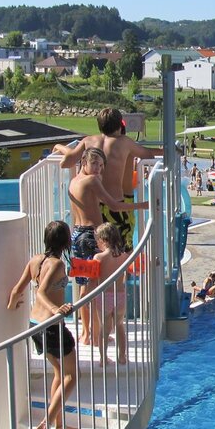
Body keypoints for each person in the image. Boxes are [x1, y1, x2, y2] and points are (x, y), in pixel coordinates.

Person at [8, 221, 78, 429]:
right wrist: (56, 309)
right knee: (71, 376)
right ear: (66, 241)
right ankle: (44, 425)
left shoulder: (35, 260)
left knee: (59, 372)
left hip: (35, 324)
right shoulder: (57, 264)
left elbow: (17, 290)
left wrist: (11, 308)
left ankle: (59, 426)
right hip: (51, 325)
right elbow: (41, 292)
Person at [68, 147, 148, 343]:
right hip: (91, 236)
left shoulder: (74, 181)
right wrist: (142, 205)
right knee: (94, 287)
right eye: (94, 163)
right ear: (84, 162)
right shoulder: (92, 181)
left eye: (101, 165)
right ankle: (96, 335)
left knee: (84, 286)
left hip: (77, 235)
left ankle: (86, 333)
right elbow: (114, 205)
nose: (98, 169)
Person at [53, 107, 158, 249]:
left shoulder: (88, 141)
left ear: (99, 125)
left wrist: (60, 147)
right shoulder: (124, 142)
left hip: (93, 208)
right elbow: (148, 155)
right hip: (116, 205)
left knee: (98, 250)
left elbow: (67, 162)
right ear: (119, 124)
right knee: (121, 251)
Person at [92, 223, 130, 366]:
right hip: (119, 295)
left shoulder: (99, 257)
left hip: (104, 296)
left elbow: (94, 278)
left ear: (103, 239)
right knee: (119, 325)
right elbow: (127, 275)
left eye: (98, 240)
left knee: (105, 328)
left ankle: (103, 359)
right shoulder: (124, 256)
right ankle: (122, 356)